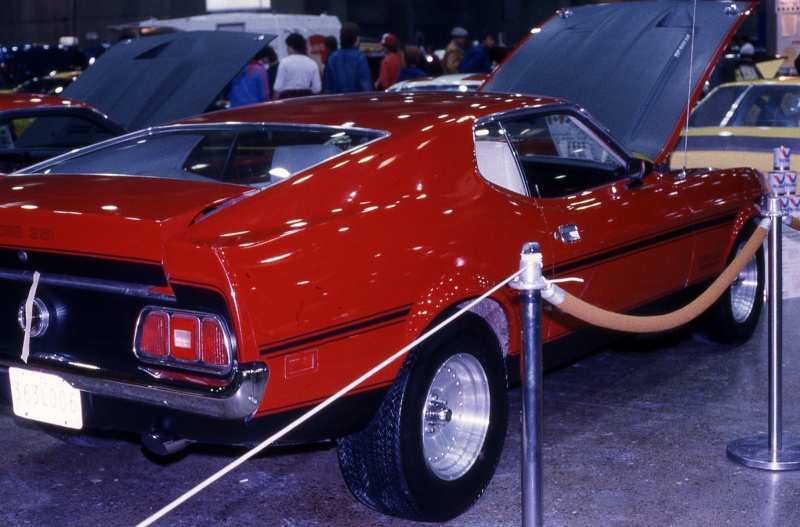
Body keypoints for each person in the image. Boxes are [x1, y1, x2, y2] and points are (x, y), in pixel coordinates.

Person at [323, 21, 372, 93]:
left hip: (337, 101)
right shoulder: (360, 56)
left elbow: (327, 86)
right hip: (355, 101)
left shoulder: (332, 58)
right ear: (356, 38)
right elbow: (365, 85)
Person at [273, 33, 322, 99]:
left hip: (287, 100)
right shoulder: (312, 63)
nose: (287, 49)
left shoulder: (284, 62)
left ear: (292, 47)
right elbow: (317, 88)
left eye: (288, 47)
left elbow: (277, 87)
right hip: (305, 100)